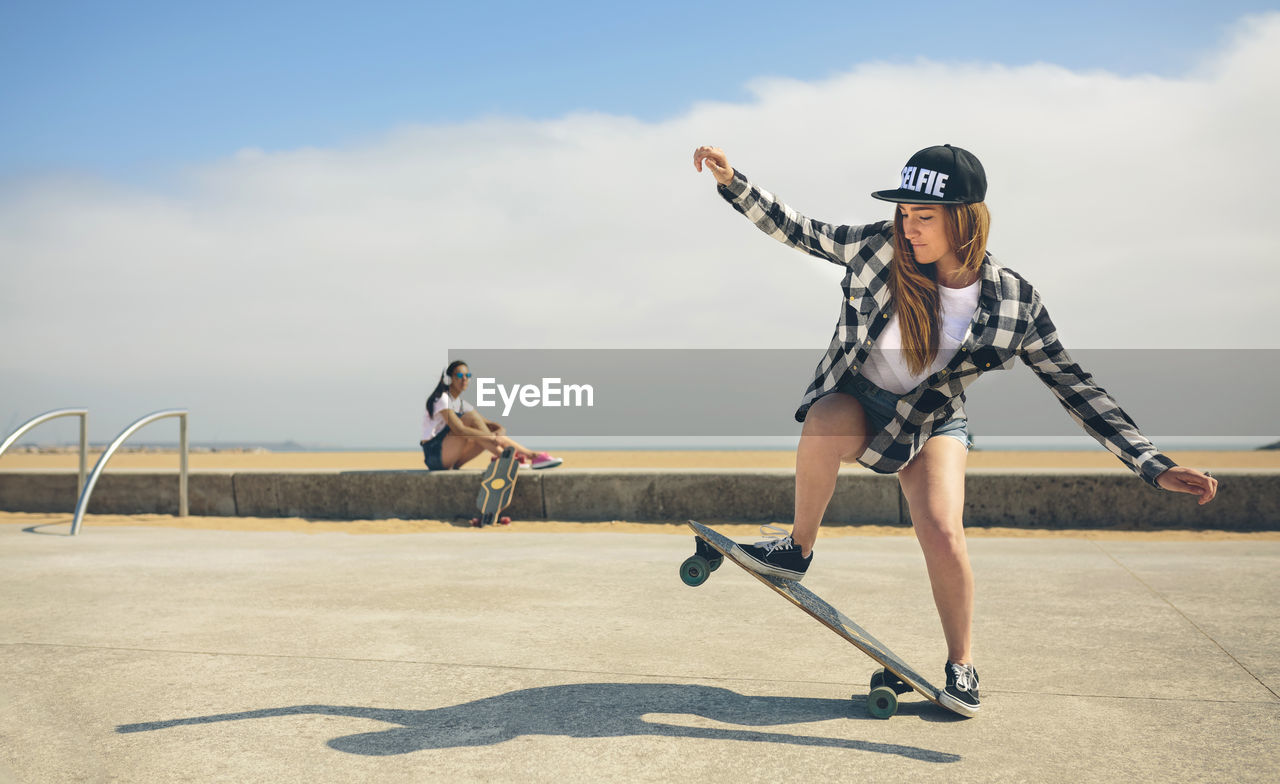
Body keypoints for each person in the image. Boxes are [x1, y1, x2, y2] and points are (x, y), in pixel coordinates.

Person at [692, 143, 1218, 717]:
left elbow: (1074, 386)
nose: (908, 227)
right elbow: (799, 230)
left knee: (943, 531)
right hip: (858, 405)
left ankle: (961, 664)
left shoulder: (1014, 302)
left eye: (924, 216)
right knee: (822, 423)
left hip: (932, 419)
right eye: (904, 214)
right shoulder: (877, 248)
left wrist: (1154, 464)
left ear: (964, 220)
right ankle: (798, 547)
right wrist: (734, 182)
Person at [421, 360, 563, 471]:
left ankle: (514, 457)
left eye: (468, 375)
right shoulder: (442, 399)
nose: (464, 379)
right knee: (471, 421)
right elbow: (459, 430)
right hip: (435, 455)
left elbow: (489, 424)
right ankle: (520, 456)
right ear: (449, 379)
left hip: (451, 457)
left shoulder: (462, 404)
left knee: (476, 423)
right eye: (459, 375)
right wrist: (491, 437)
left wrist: (500, 432)